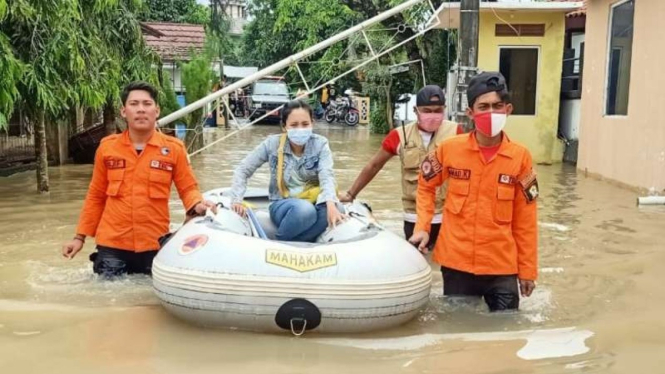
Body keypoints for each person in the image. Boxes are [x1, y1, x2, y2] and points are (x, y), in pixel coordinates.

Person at [409, 72, 538, 312]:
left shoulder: (520, 157)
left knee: (507, 330)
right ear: (470, 113)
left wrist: (527, 270)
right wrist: (423, 228)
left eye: (497, 106)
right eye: (484, 106)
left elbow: (526, 219)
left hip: (502, 266)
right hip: (456, 262)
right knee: (457, 330)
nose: (491, 112)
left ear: (508, 109)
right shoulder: (449, 150)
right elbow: (426, 186)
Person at [61, 81, 216, 277]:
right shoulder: (107, 148)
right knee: (109, 299)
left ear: (157, 111)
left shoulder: (174, 149)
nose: (141, 109)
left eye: (146, 104)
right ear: (124, 112)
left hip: (154, 244)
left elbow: (188, 188)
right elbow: (96, 195)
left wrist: (197, 205)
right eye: (134, 104)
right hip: (112, 246)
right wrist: (79, 238)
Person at [339, 85, 462, 248]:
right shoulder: (399, 135)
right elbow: (374, 165)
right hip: (413, 215)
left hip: (447, 215)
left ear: (444, 110)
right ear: (416, 110)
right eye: (427, 110)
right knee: (417, 262)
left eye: (437, 110)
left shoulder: (456, 132)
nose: (432, 115)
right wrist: (350, 194)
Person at [230, 100, 345, 242]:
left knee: (338, 208)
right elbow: (243, 170)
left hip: (314, 201)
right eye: (294, 125)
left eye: (305, 124)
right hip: (282, 204)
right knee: (305, 210)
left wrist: (331, 204)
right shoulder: (272, 144)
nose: (300, 129)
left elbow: (326, 175)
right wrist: (236, 200)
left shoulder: (320, 144)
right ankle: (278, 242)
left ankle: (295, 243)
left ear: (312, 124)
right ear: (284, 127)